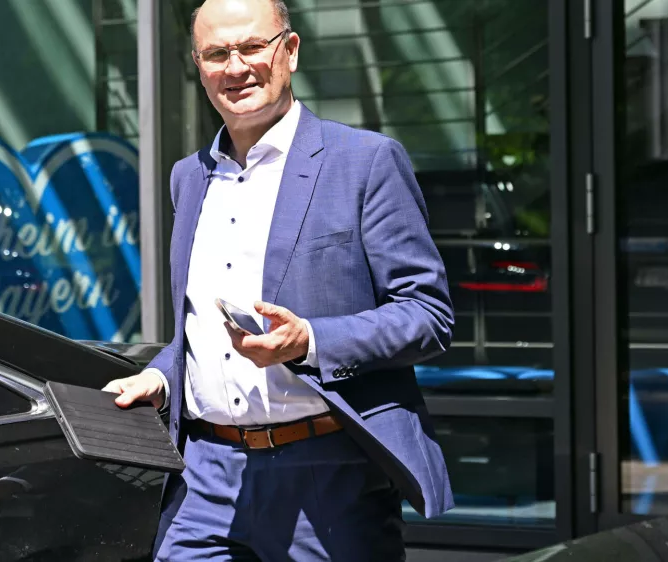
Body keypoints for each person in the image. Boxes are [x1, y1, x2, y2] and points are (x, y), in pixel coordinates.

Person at [102, 0, 455, 559]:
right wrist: (163, 377)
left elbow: (427, 315)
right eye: (217, 53)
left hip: (326, 473)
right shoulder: (189, 178)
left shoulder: (365, 162)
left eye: (251, 47)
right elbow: (197, 325)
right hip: (205, 474)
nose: (236, 67)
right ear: (199, 65)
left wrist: (310, 341)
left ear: (289, 51)